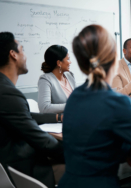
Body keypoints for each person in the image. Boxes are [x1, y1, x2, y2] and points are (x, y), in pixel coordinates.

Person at [58, 25, 131, 188]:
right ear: (116, 55)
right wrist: (126, 148)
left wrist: (121, 147)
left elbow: (96, 138)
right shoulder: (115, 102)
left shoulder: (75, 96)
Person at [0, 32, 65, 188]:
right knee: (87, 168)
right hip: (24, 167)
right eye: (22, 49)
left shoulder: (4, 89)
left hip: (9, 159)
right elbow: (43, 143)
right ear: (13, 54)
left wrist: (58, 118)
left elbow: (25, 116)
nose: (26, 56)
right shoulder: (8, 93)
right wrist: (78, 152)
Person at [38, 45, 76, 113]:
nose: (70, 62)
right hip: (59, 121)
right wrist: (72, 105)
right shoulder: (45, 80)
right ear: (59, 63)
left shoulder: (70, 75)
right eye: (68, 59)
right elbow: (44, 108)